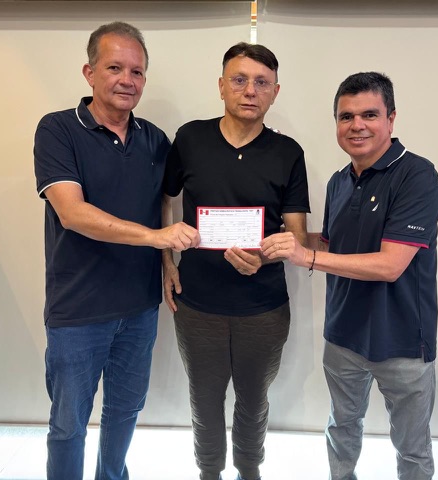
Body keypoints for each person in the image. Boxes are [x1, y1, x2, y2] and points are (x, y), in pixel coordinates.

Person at [33, 22, 199, 480]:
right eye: (114, 68)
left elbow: (163, 202)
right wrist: (157, 239)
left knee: (125, 411)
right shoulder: (58, 129)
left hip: (139, 309)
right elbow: (73, 213)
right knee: (68, 424)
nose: (128, 80)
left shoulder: (155, 139)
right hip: (77, 311)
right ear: (89, 72)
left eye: (137, 71)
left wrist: (166, 261)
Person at [261, 72, 438, 480]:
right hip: (343, 335)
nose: (356, 125)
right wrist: (271, 236)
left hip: (403, 341)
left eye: (369, 115)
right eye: (346, 117)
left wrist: (305, 257)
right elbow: (331, 246)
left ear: (391, 119)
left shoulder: (417, 175)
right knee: (341, 431)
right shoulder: (339, 182)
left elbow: (390, 265)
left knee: (412, 448)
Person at [162, 42, 310, 480]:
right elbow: (164, 200)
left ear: (275, 92)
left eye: (262, 83)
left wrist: (262, 257)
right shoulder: (190, 138)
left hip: (263, 307)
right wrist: (166, 259)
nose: (250, 91)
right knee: (204, 400)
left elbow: (297, 236)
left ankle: (249, 470)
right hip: (197, 302)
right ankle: (208, 472)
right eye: (240, 80)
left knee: (254, 400)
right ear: (221, 86)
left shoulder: (288, 153)